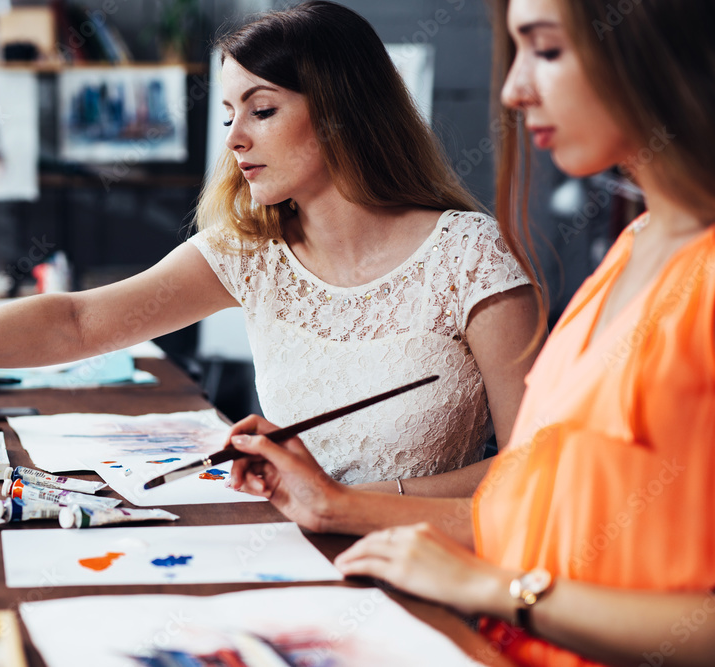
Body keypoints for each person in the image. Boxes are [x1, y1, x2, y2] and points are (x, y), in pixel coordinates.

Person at [0, 2, 537, 491]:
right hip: (281, 551)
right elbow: (78, 322)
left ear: (343, 114)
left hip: (417, 565)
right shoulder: (254, 247)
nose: (237, 138)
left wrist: (350, 501)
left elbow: (535, 472)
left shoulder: (467, 257)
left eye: (264, 109)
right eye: (228, 114)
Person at [230, 0, 715, 665]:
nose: (514, 89)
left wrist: (501, 589)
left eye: (546, 50)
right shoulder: (636, 247)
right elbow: (533, 517)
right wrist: (337, 504)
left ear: (655, 47)